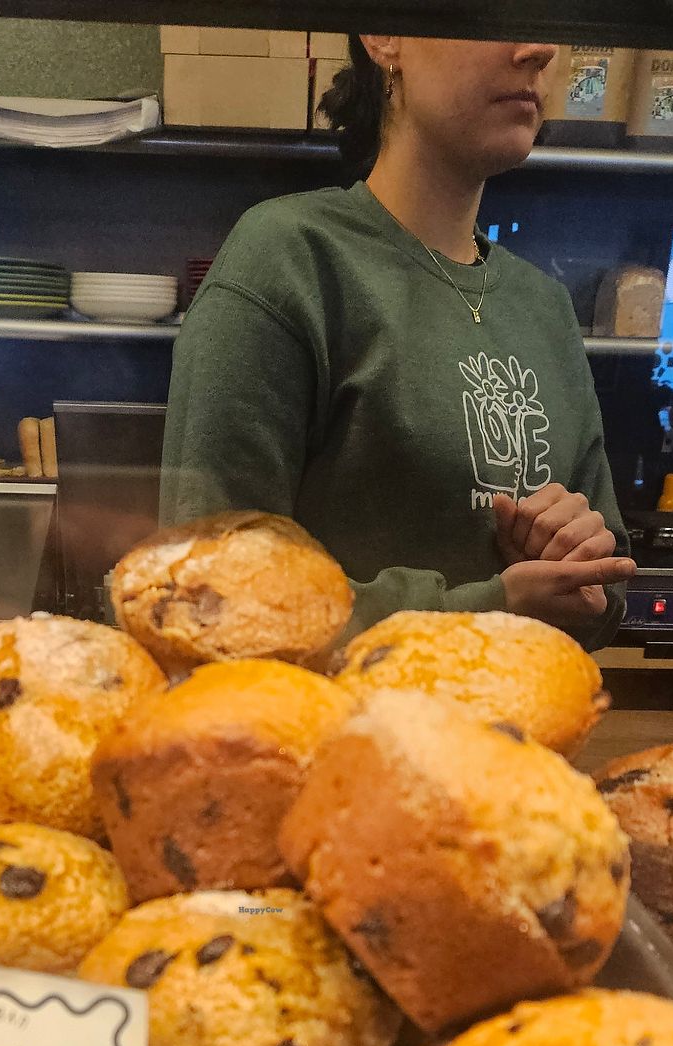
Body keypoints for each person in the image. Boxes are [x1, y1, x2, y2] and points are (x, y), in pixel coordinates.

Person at [160, 35, 636, 649]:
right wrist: (489, 605)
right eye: (496, 12)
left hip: (531, 708)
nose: (539, 49)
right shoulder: (290, 260)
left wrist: (576, 563)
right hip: (335, 713)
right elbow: (209, 595)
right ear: (386, 36)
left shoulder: (543, 305)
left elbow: (609, 590)